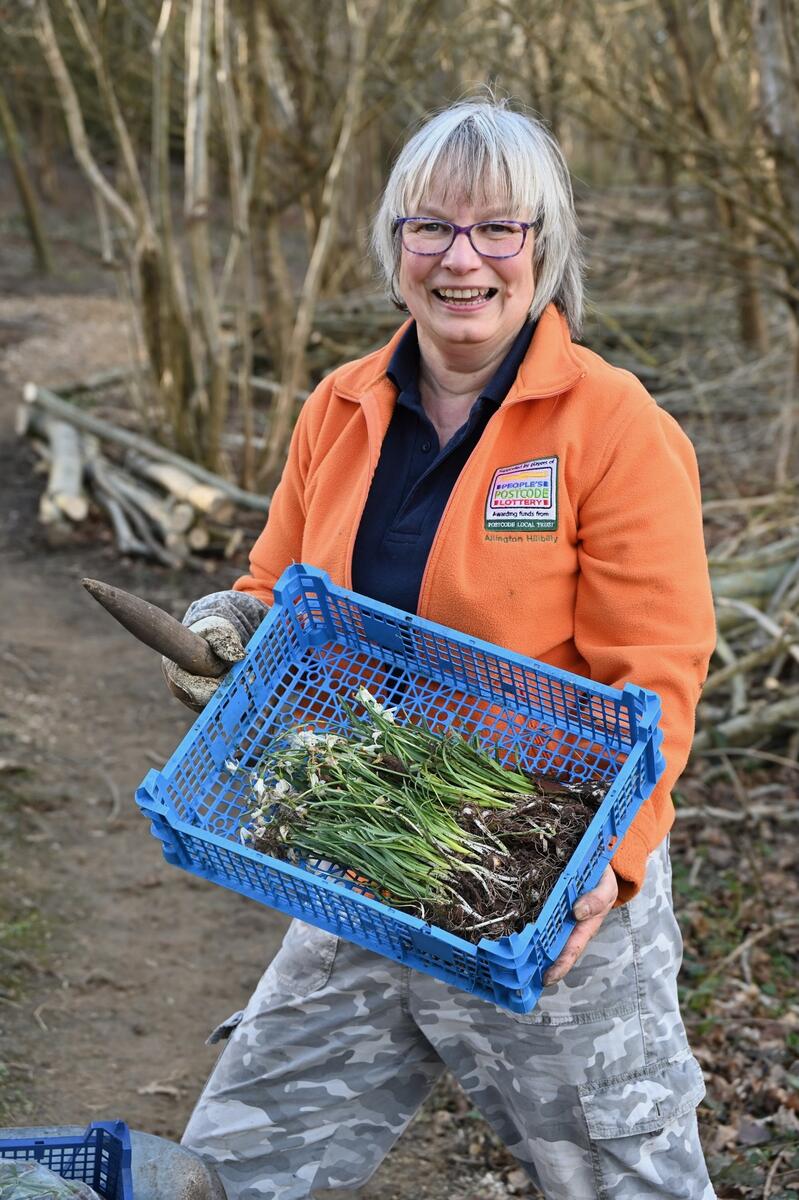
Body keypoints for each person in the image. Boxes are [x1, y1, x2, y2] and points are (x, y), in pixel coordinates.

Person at [163, 99, 718, 1200]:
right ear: (394, 248)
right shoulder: (342, 406)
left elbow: (656, 678)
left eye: (497, 229)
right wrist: (225, 628)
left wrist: (598, 873)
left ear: (542, 248)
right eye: (431, 227)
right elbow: (278, 585)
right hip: (367, 858)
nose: (462, 258)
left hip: (544, 888)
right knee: (230, 1171)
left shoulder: (611, 427)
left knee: (628, 1184)